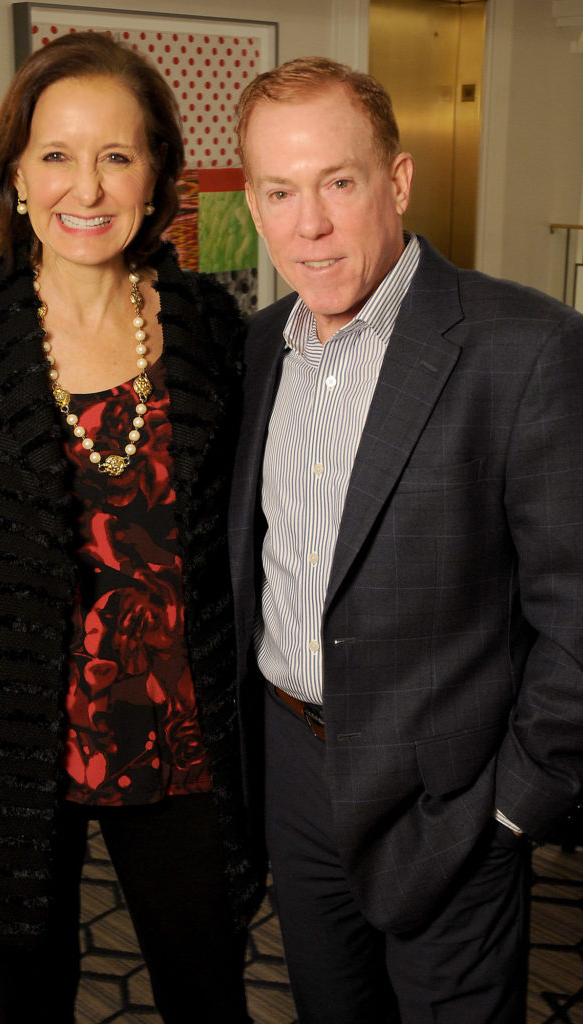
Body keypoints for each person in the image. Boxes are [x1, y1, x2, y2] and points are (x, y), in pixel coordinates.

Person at [0, 31, 264, 1024]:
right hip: (8, 743)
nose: (88, 185)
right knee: (33, 1002)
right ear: (17, 174)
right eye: (58, 154)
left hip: (181, 743)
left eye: (117, 154)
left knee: (209, 994)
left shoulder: (210, 322)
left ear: (156, 172)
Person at [229, 56, 583, 1024]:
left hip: (452, 798)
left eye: (338, 182)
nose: (310, 223)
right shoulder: (259, 347)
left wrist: (515, 805)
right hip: (294, 777)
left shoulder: (528, 350)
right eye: (280, 190)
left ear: (397, 180)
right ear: (254, 204)